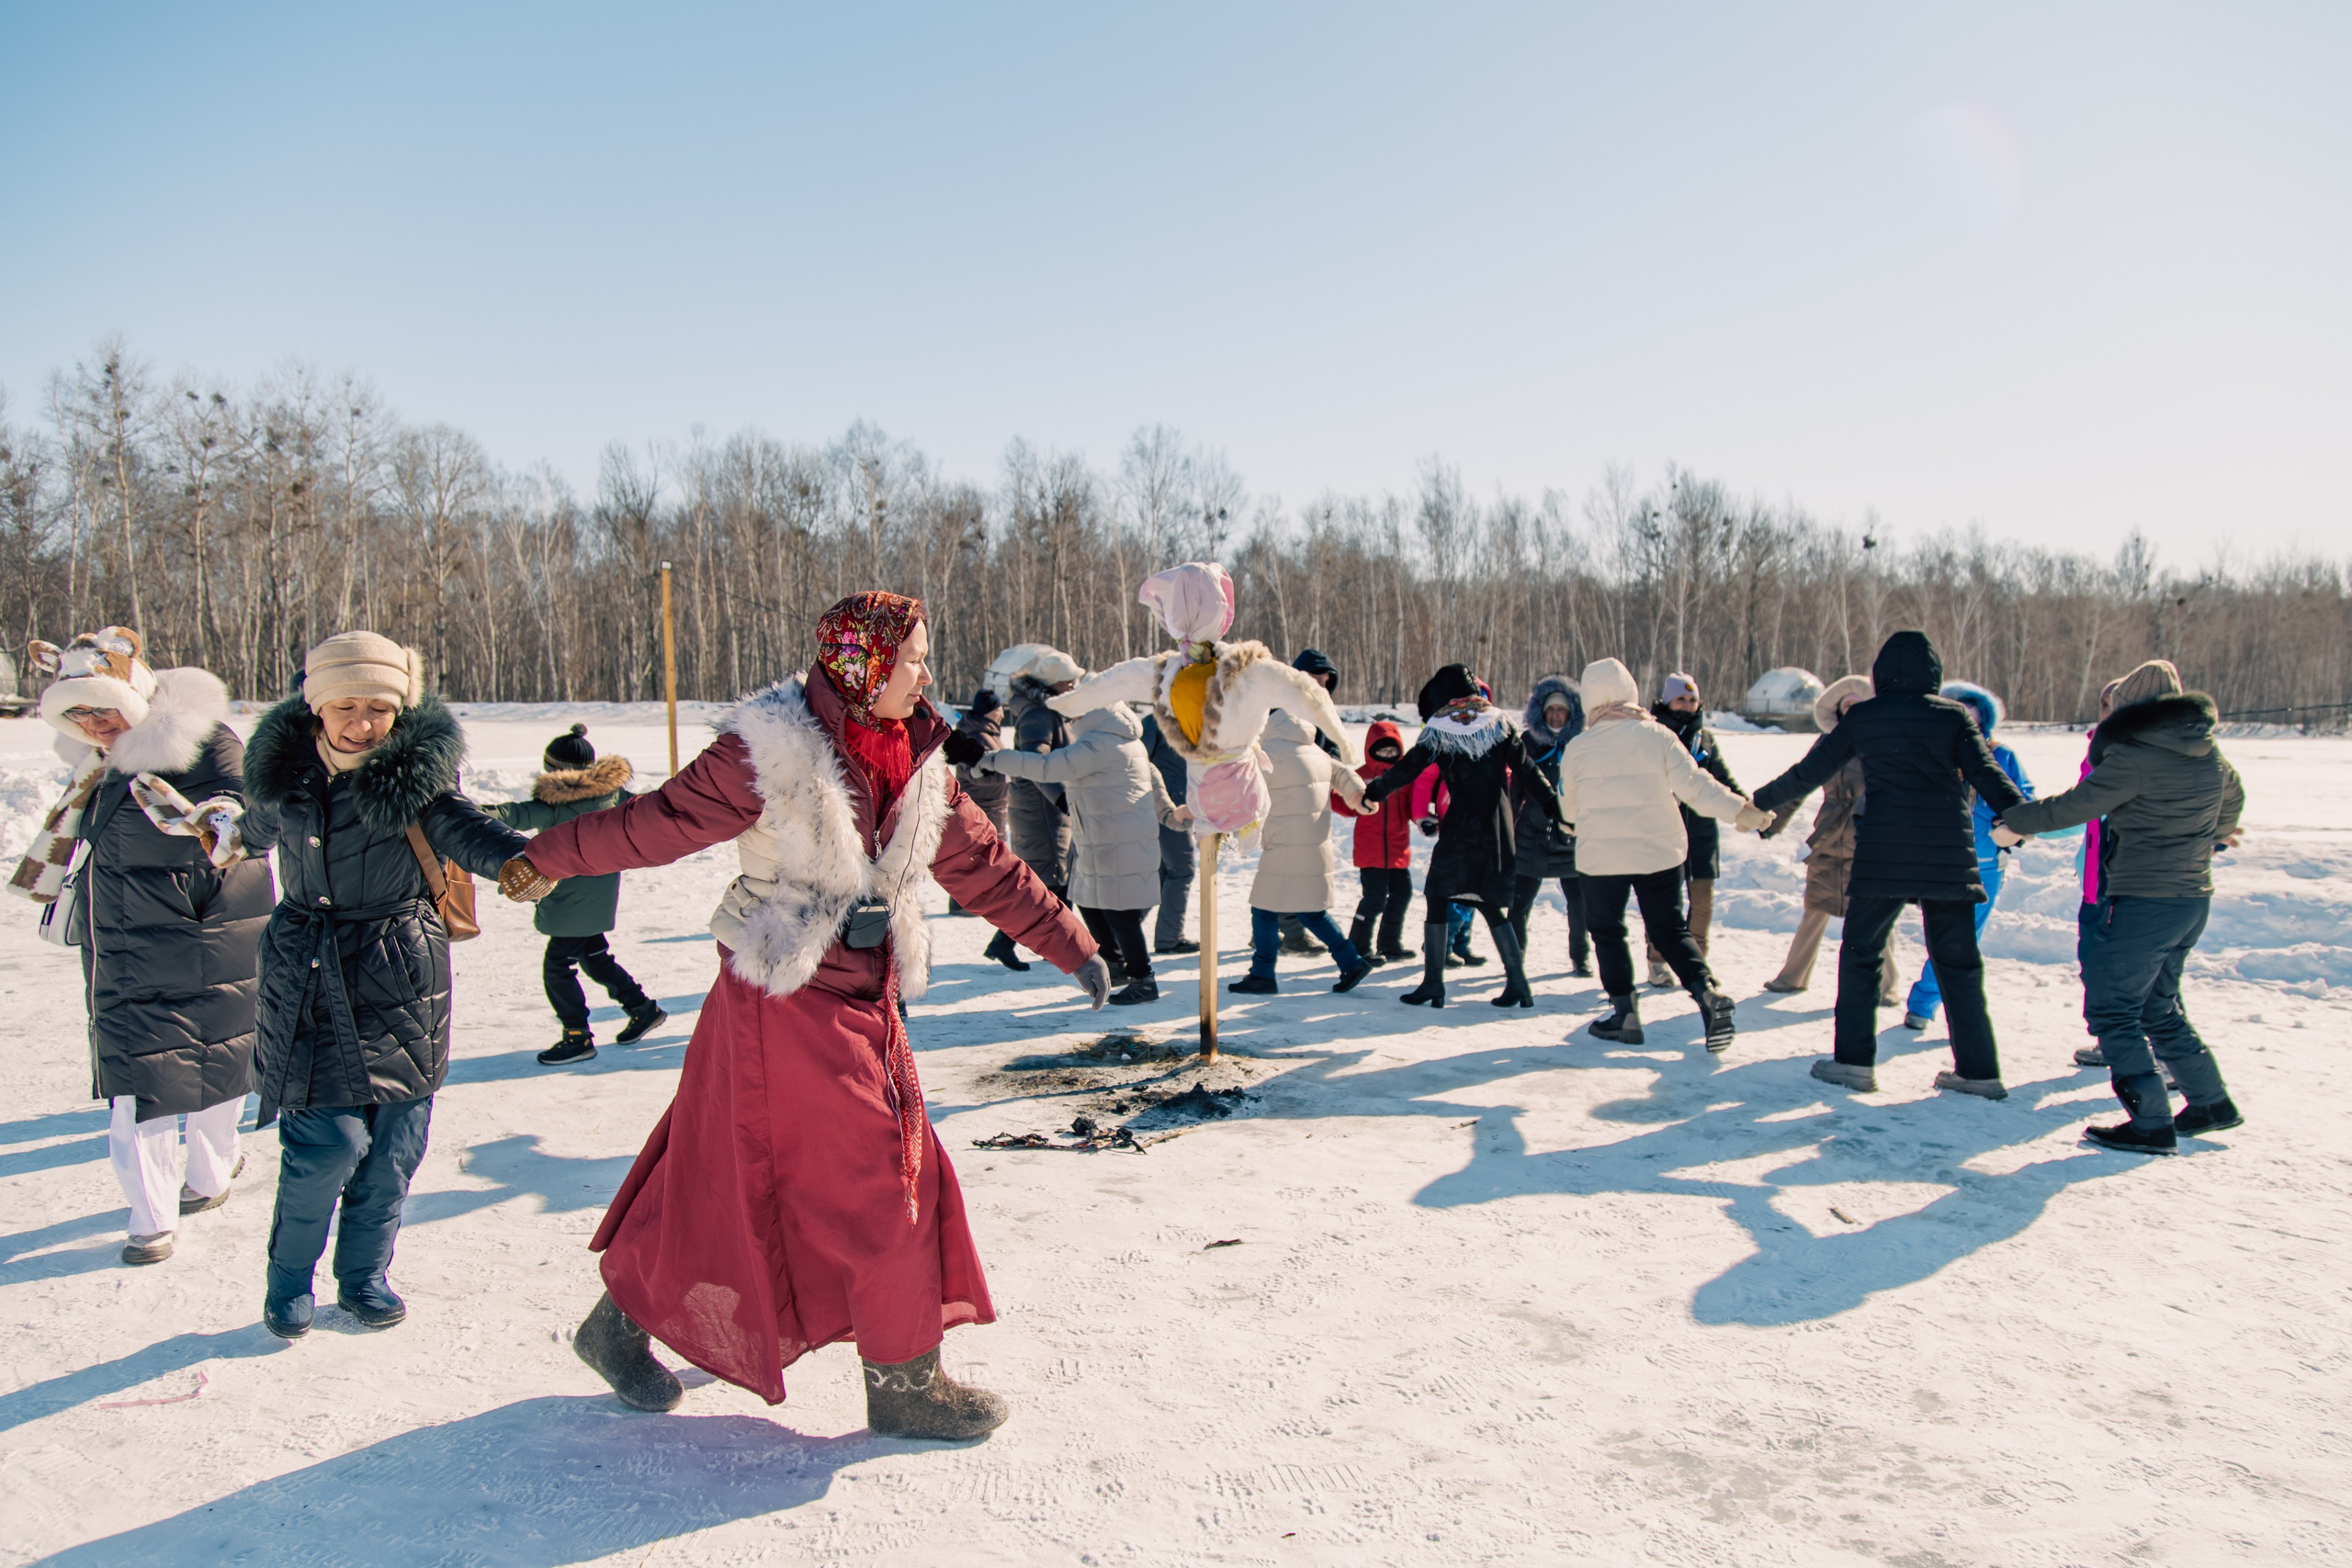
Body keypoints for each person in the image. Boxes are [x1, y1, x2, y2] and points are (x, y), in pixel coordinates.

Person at [507, 595, 1105, 1441]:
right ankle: (903, 1380)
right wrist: (542, 856)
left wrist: (1071, 943)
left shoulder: (920, 757)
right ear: (864, 665)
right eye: (913, 660)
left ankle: (617, 1324)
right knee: (888, 1174)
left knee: (725, 1173)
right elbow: (655, 825)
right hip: (780, 994)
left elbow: (985, 864)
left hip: (867, 991)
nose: (926, 675)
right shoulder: (770, 753)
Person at [241, 632, 535, 1339]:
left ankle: (363, 1276)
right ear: (318, 707)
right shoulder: (286, 775)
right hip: (308, 971)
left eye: (379, 707)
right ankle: (288, 1282)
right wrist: (210, 832)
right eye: (347, 705)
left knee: (396, 1143)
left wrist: (531, 862)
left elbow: (467, 830)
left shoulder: (410, 776)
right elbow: (243, 829)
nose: (363, 722)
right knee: (328, 1144)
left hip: (400, 974)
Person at [14, 627, 268, 1266]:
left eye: (103, 707)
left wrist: (212, 816)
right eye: (78, 713)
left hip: (212, 925)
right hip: (129, 941)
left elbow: (247, 808)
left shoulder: (201, 737)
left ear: (134, 695)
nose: (94, 723)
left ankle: (210, 1177)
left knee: (222, 1059)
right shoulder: (94, 764)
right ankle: (151, 1217)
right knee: (142, 1078)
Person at [1750, 630, 2026, 1099]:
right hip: (1948, 856)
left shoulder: (1865, 717)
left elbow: (1809, 771)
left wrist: (1759, 805)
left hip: (1884, 855)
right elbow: (1987, 772)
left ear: (1881, 674)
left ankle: (1854, 1063)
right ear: (1933, 675)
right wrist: (2019, 815)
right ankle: (1979, 1071)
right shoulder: (1953, 716)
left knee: (1861, 956)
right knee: (1958, 964)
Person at [1997, 659, 2245, 1154]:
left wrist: (2015, 821)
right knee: (2158, 1006)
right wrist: (2206, 842)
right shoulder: (2211, 754)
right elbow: (2232, 805)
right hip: (2191, 900)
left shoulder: (2133, 757)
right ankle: (2210, 1102)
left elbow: (2073, 805)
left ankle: (2151, 1123)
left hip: (2140, 902)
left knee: (2115, 1012)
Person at [1557, 658, 1762, 1049]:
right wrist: (1742, 811)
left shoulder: (1579, 748)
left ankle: (1625, 1013)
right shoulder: (1659, 736)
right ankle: (1706, 993)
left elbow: (1569, 810)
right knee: (1669, 930)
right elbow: (1697, 787)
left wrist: (1569, 825)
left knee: (1607, 930)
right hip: (1660, 850)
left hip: (1603, 858)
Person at [955, 698, 1186, 1005]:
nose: (1069, 717)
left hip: (1116, 845)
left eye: (1074, 710)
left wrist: (989, 759)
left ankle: (1144, 980)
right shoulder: (1127, 743)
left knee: (1121, 916)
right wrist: (1174, 816)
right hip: (1102, 843)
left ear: (1092, 711)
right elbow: (1156, 791)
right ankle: (1115, 965)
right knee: (1090, 904)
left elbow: (1045, 767)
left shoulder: (1098, 744)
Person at [1358, 664, 1544, 1010]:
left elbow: (1408, 769)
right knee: (1488, 903)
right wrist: (1557, 808)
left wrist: (1374, 792)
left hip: (1462, 827)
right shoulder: (1498, 724)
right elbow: (1529, 772)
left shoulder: (1443, 729)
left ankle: (1434, 984)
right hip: (1495, 829)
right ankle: (1519, 984)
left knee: (1439, 895)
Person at [485, 723, 667, 1066]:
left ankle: (576, 1036)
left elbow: (512, 814)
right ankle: (642, 1008)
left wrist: (458, 810)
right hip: (601, 895)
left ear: (553, 770)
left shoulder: (553, 804)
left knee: (557, 966)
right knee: (595, 957)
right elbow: (651, 807)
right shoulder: (614, 798)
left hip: (568, 900)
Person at [1898, 682, 2034, 1032]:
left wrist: (2009, 825)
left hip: (1985, 864)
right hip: (1937, 862)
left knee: (1964, 942)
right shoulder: (1928, 754)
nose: (1964, 729)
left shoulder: (2001, 756)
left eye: (1972, 721)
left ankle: (1927, 1005)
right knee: (1942, 937)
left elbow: (2025, 800)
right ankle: (1940, 1006)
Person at [1759, 675, 1897, 999]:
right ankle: (1793, 976)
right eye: (1847, 706)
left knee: (1876, 913)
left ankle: (1886, 985)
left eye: (1859, 706)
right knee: (1816, 906)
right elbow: (1800, 781)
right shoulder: (1827, 744)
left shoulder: (1885, 743)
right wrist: (1770, 820)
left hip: (1871, 837)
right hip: (1829, 835)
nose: (1853, 712)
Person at [1228, 706, 1373, 995]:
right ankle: (1351, 961)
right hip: (1316, 848)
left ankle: (1262, 974)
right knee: (1311, 912)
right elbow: (1346, 775)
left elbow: (1242, 791)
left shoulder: (1265, 755)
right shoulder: (1319, 754)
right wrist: (1358, 796)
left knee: (1264, 911)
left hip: (1283, 846)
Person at [1645, 672, 1742, 987]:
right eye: (1680, 699)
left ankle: (1696, 964)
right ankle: (1658, 961)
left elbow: (1724, 781)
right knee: (1663, 903)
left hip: (1701, 832)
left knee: (1702, 902)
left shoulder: (1706, 739)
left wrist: (1747, 809)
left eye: (1691, 700)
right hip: (1663, 830)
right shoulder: (1653, 734)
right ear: (1667, 701)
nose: (1686, 706)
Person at [989, 649, 1082, 969]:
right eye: (1069, 682)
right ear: (1054, 684)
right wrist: (1060, 798)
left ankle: (1057, 945)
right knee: (1048, 882)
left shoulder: (1047, 711)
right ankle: (1040, 945)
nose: (1073, 686)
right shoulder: (1039, 716)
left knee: (1053, 881)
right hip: (1041, 810)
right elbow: (1035, 762)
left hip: (1046, 808)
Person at [1510, 674, 1589, 977]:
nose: (1556, 715)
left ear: (1571, 714)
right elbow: (1515, 786)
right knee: (1520, 903)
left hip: (1571, 832)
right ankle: (1514, 956)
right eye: (1551, 710)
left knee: (1579, 903)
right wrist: (1510, 823)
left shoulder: (1581, 743)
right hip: (1532, 832)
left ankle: (1580, 956)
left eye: (1562, 710)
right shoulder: (1527, 742)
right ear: (1542, 712)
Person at [1278, 648, 1343, 954]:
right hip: (1281, 795)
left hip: (1311, 797)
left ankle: (1269, 926)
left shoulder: (1324, 711)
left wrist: (1325, 769)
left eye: (1326, 681)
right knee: (1284, 866)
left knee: (1294, 867)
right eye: (1316, 679)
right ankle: (1289, 932)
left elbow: (1335, 751)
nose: (1322, 686)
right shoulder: (1279, 707)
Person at [1334, 718, 1415, 964]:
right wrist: (1331, 797)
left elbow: (1414, 805)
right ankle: (1359, 947)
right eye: (1383, 750)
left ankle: (1390, 944)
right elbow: (1345, 803)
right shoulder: (1361, 776)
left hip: (1399, 848)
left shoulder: (1405, 775)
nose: (1388, 754)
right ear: (1371, 749)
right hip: (1371, 850)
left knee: (1402, 895)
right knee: (1375, 900)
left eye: (1393, 750)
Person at [1139, 711, 1198, 953]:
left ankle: (1118, 932)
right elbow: (1139, 762)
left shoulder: (1195, 720)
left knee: (1165, 872)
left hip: (1181, 805)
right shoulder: (1155, 721)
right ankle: (1169, 938)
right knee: (1181, 870)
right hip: (1166, 808)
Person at [947, 690, 1010, 916]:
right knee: (978, 856)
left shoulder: (985, 732)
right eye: (999, 709)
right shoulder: (977, 735)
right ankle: (965, 903)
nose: (1002, 714)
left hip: (991, 803)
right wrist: (1013, 773)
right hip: (982, 804)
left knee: (979, 856)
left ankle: (970, 902)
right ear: (991, 711)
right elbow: (976, 772)